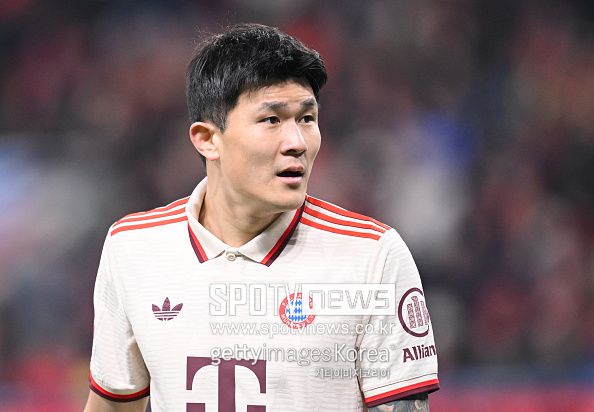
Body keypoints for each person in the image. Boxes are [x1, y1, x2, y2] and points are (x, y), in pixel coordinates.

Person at [84, 23, 439, 412]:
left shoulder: (372, 256)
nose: (297, 143)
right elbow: (114, 404)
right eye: (272, 120)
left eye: (307, 118)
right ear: (207, 139)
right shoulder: (132, 248)